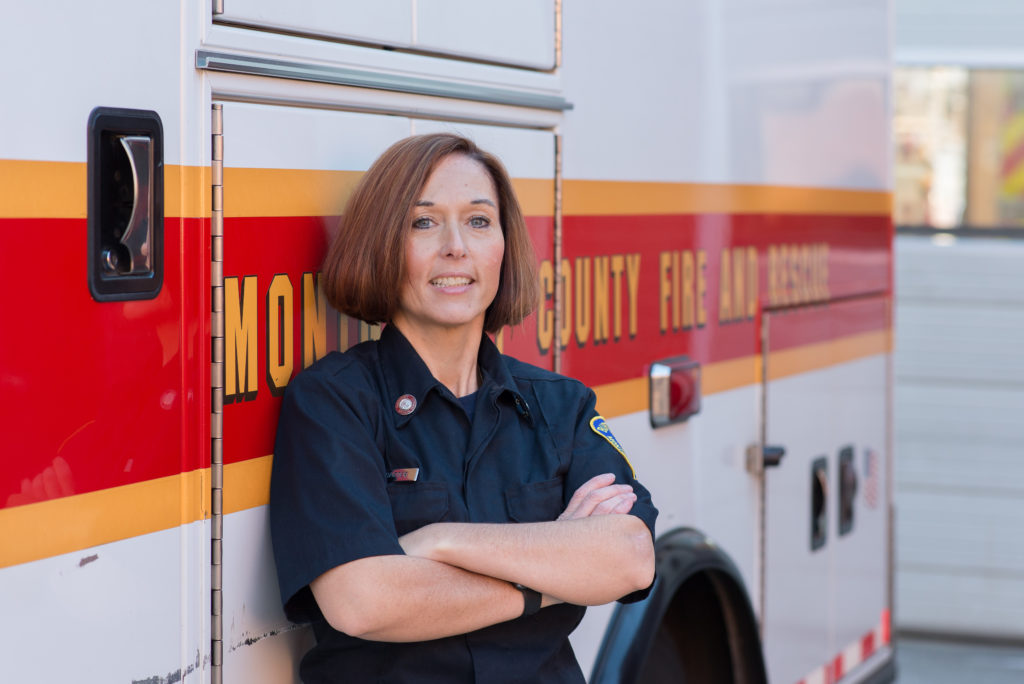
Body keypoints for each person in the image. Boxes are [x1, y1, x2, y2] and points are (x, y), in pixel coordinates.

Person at [270, 133, 658, 683]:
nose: (455, 247)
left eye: (478, 221)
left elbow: (630, 558)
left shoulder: (560, 405)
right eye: (423, 222)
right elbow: (363, 602)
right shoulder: (334, 402)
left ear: (504, 245)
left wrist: (440, 541)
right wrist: (552, 574)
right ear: (383, 245)